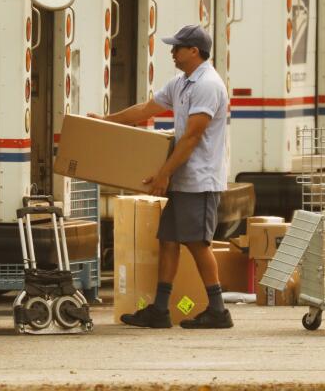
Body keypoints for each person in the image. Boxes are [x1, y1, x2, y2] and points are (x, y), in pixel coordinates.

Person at [91, 24, 232, 329]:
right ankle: (159, 309)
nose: (172, 52)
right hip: (183, 177)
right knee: (168, 240)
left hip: (200, 178)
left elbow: (193, 136)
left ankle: (219, 310)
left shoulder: (208, 85)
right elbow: (146, 108)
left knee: (198, 243)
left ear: (194, 51)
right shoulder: (183, 83)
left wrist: (163, 174)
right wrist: (106, 121)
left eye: (177, 48)